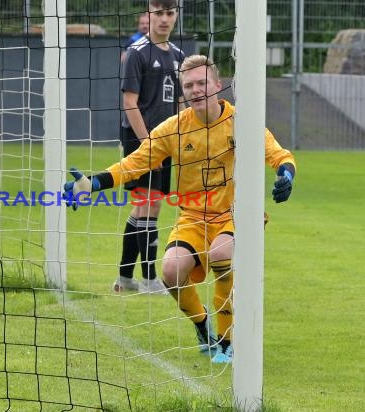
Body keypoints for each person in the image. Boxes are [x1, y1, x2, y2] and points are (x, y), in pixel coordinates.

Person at [63, 54, 297, 364]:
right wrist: (91, 184)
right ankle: (203, 327)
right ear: (183, 91)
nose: (197, 90)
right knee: (171, 272)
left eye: (202, 83)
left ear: (217, 85)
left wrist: (286, 175)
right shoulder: (173, 128)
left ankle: (229, 342)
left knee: (220, 254)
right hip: (193, 217)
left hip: (235, 214)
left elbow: (279, 155)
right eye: (189, 85)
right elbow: (135, 163)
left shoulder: (243, 121)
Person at [114, 0, 185, 294]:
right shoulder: (137, 53)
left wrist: (181, 140)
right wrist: (149, 145)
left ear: (176, 15)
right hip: (140, 139)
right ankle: (149, 279)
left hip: (166, 142)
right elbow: (129, 103)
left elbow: (180, 103)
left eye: (170, 13)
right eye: (159, 13)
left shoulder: (179, 56)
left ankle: (125, 279)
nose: (165, 19)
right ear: (149, 14)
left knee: (145, 206)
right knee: (150, 204)